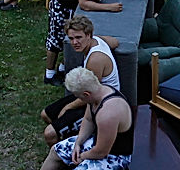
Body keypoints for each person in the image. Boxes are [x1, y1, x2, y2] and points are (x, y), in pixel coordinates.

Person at [42, 0, 122, 86]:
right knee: (56, 39)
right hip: (62, 5)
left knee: (73, 40)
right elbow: (84, 3)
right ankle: (49, 74)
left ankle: (62, 68)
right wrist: (109, 7)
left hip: (75, 8)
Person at [39, 16, 120, 146]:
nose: (75, 42)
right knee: (46, 114)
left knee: (50, 134)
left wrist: (68, 107)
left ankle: (65, 157)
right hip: (88, 94)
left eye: (78, 37)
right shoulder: (97, 40)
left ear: (88, 35)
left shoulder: (95, 60)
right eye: (71, 38)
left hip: (101, 104)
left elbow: (91, 94)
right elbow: (115, 42)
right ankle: (70, 140)